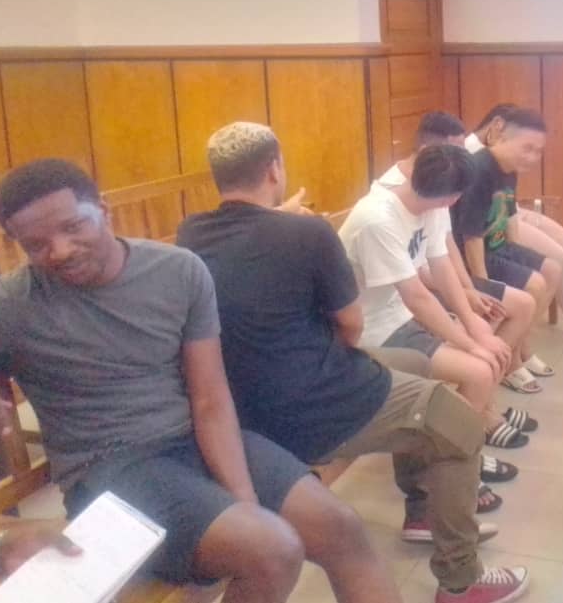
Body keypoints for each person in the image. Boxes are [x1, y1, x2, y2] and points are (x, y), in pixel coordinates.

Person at [0, 159, 400, 603]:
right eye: (36, 245)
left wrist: (241, 496)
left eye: (73, 227)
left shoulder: (177, 270)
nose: (60, 250)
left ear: (103, 209)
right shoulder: (11, 303)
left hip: (192, 439)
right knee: (273, 549)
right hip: (110, 470)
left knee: (340, 527)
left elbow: (210, 398)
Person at [178, 124, 528, 603]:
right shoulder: (309, 232)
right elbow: (351, 325)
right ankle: (461, 579)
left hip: (244, 403)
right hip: (316, 401)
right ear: (274, 169)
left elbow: (250, 232)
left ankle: (422, 510)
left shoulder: (190, 235)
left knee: (413, 363)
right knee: (462, 426)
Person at [339, 141, 537, 453]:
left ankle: (472, 429)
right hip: (372, 329)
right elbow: (416, 297)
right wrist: (470, 343)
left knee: (486, 342)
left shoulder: (430, 202)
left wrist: (471, 324)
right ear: (453, 196)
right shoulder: (377, 219)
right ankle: (452, 455)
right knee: (480, 368)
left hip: (399, 315)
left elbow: (440, 264)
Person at [467, 104, 563, 358]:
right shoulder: (474, 160)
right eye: (527, 148)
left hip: (509, 219)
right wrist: (485, 283)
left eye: (537, 150)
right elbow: (472, 233)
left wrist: (516, 252)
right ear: (498, 128)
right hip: (489, 235)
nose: (532, 157)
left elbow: (510, 210)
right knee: (557, 263)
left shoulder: (508, 165)